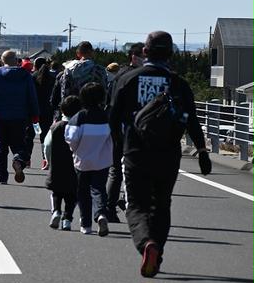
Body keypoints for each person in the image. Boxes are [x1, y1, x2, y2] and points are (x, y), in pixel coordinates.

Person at [109, 31, 211, 278]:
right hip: (168, 153)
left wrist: (117, 149)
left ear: (145, 52)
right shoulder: (178, 84)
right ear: (171, 54)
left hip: (135, 151)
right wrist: (202, 150)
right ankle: (157, 248)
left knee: (137, 204)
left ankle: (147, 244)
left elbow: (112, 119)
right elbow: (193, 122)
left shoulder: (128, 79)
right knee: (162, 204)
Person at [0, 50, 39, 184]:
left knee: (1, 146)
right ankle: (18, 160)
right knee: (19, 143)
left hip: (0, 116)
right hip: (20, 116)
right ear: (16, 60)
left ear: (2, 61)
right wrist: (35, 114)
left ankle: (2, 177)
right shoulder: (25, 75)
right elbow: (32, 96)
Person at [65, 82, 113, 236]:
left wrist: (75, 149)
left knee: (83, 192)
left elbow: (71, 138)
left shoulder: (79, 117)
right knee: (98, 189)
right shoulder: (106, 116)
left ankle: (86, 224)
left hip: (82, 160)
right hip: (102, 161)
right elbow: (113, 138)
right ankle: (100, 214)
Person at [105, 42, 144, 222]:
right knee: (133, 171)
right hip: (132, 130)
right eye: (143, 57)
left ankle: (111, 207)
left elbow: (110, 105)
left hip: (118, 129)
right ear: (134, 57)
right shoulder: (137, 77)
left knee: (116, 171)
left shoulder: (118, 75)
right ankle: (119, 205)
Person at [44, 95, 82, 231]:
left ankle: (56, 211)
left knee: (56, 192)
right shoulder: (79, 127)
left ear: (62, 111)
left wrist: (49, 160)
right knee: (72, 195)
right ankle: (67, 219)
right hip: (75, 166)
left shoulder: (55, 127)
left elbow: (47, 145)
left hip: (57, 165)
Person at [55, 41, 107, 115]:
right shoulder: (100, 70)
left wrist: (64, 110)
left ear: (78, 53)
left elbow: (64, 91)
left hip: (73, 110)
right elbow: (104, 91)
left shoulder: (69, 69)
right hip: (94, 111)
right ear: (92, 52)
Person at [31, 57, 55, 170]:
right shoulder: (52, 78)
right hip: (48, 111)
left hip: (34, 112)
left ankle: (27, 160)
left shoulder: (33, 77)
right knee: (44, 136)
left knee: (29, 135)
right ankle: (45, 160)